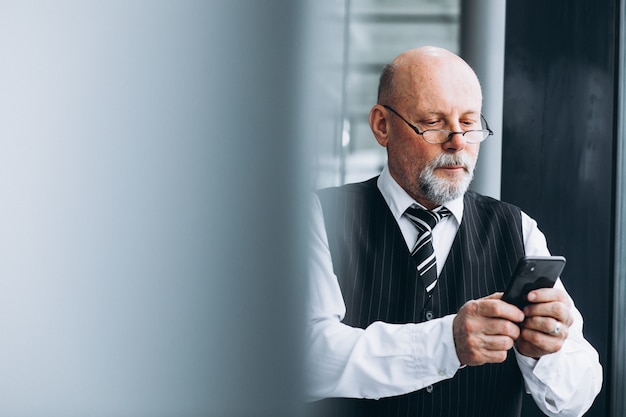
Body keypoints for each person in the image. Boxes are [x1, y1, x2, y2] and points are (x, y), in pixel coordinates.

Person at [305, 46, 602, 417]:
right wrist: (448, 344)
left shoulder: (518, 230)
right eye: (433, 122)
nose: (458, 141)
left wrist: (545, 352)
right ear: (382, 126)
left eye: (469, 122)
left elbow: (575, 399)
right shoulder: (318, 216)